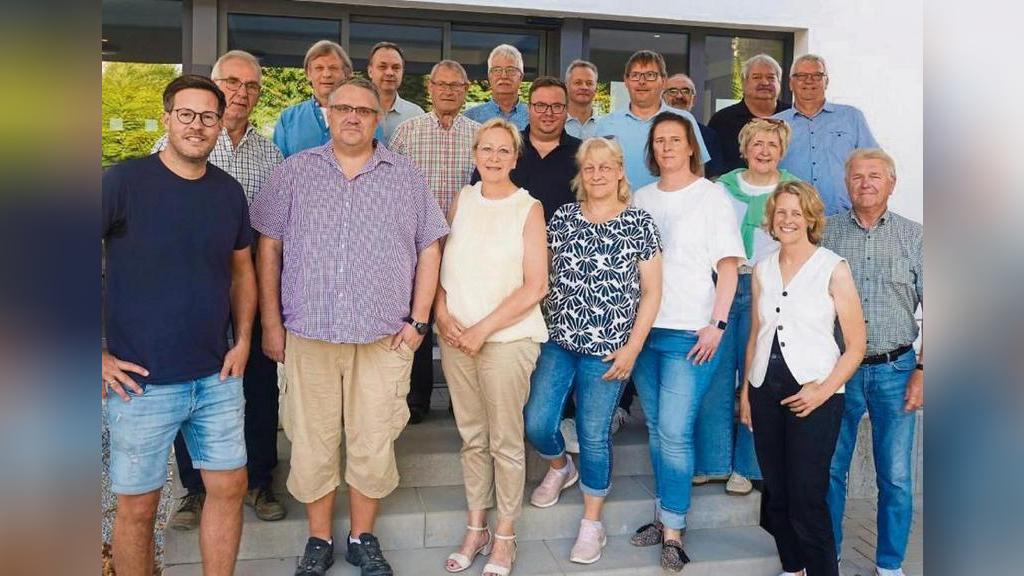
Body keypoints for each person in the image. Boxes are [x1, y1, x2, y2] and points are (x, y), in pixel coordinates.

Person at [251, 77, 448, 576]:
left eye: (364, 110)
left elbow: (430, 247)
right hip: (308, 335)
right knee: (312, 441)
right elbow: (268, 247)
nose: (353, 117)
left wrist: (419, 321)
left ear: (378, 118)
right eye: (343, 109)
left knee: (373, 439)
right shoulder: (294, 171)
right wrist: (270, 323)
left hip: (383, 338)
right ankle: (318, 539)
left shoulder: (405, 176)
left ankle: (363, 538)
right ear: (329, 114)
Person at [103, 74, 256, 576]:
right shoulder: (123, 182)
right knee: (139, 507)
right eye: (186, 114)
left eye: (208, 116)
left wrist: (244, 340)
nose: (197, 125)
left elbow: (242, 271)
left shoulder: (228, 192)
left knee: (229, 488)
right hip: (140, 382)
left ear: (220, 124)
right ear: (167, 118)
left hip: (216, 376)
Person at [152, 50, 287, 530]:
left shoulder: (270, 154)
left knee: (258, 382)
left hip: (252, 281)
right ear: (215, 84)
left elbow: (273, 235)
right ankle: (194, 488)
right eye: (232, 82)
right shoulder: (171, 145)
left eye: (251, 85)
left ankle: (259, 478)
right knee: (192, 380)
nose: (241, 92)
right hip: (193, 286)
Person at [524, 137, 662, 565]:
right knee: (537, 421)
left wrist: (632, 349)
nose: (597, 174)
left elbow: (652, 293)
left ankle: (591, 524)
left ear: (620, 172)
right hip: (559, 341)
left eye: (606, 167)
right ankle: (560, 466)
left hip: (609, 350)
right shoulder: (563, 218)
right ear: (580, 175)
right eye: (589, 167)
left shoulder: (638, 222)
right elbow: (542, 276)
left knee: (593, 433)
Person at [629, 111, 744, 572]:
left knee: (675, 432)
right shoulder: (640, 198)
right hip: (644, 331)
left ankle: (674, 531)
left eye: (675, 139)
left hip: (690, 332)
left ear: (692, 146)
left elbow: (729, 267)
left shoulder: (712, 196)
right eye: (659, 140)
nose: (667, 147)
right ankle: (664, 515)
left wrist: (717, 324)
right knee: (659, 429)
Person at [436, 118, 549, 576]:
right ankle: (475, 528)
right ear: (474, 154)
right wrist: (441, 313)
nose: (495, 157)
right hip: (456, 338)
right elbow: (442, 264)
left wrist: (482, 329)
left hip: (506, 340)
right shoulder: (461, 199)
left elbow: (536, 285)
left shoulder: (529, 208)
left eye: (504, 150)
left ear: (515, 158)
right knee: (472, 437)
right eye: (487, 148)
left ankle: (504, 536)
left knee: (504, 441)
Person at [739, 181, 866, 576]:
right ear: (771, 219)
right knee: (776, 494)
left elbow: (856, 345)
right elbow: (756, 333)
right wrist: (745, 394)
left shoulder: (833, 268)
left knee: (807, 498)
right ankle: (793, 569)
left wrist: (822, 391)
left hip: (816, 396)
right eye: (781, 212)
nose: (788, 220)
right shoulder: (762, 269)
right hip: (764, 390)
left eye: (796, 213)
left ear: (810, 218)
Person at [824, 149, 923, 576]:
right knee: (830, 470)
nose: (866, 183)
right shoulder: (825, 234)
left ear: (892, 183)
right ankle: (827, 556)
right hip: (836, 372)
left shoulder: (916, 237)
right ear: (846, 184)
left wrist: (923, 371)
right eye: (857, 176)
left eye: (875, 176)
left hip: (896, 370)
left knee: (896, 477)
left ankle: (889, 565)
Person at [693, 118, 798, 495]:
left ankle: (748, 467)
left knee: (757, 376)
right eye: (757, 143)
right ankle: (712, 462)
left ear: (782, 151)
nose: (764, 151)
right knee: (714, 373)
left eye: (772, 144)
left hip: (768, 289)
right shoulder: (720, 188)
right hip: (723, 286)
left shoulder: (793, 190)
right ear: (744, 148)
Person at [389, 60, 481, 424]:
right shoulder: (407, 132)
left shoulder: (479, 135)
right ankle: (417, 398)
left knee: (463, 317)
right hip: (417, 244)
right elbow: (390, 187)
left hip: (465, 245)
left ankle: (463, 399)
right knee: (420, 316)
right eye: (441, 84)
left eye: (455, 85)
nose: (448, 91)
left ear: (466, 90)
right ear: (430, 88)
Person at [775, 54, 878, 215]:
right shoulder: (774, 124)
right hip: (791, 219)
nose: (809, 81)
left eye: (817, 75)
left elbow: (875, 163)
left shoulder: (851, 117)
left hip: (845, 217)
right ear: (790, 83)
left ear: (827, 81)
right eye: (801, 76)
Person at [595, 50, 710, 190]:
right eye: (635, 75)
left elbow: (697, 171)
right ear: (626, 81)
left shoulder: (684, 120)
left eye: (650, 75)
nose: (642, 82)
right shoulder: (606, 125)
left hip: (670, 203)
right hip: (620, 203)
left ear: (663, 81)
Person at [472, 76, 581, 221]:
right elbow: (478, 194)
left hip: (565, 234)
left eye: (557, 106)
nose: (548, 113)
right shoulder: (505, 147)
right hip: (506, 233)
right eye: (540, 105)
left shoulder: (583, 153)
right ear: (529, 108)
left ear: (567, 110)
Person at [708, 54, 788, 174]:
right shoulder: (722, 120)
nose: (765, 82)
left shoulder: (792, 117)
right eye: (757, 77)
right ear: (743, 82)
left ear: (779, 83)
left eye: (771, 77)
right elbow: (713, 168)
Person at [272, 40, 353, 157]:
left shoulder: (364, 117)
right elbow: (278, 165)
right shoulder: (288, 119)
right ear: (308, 74)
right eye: (319, 68)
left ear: (346, 74)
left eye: (333, 68)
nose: (326, 74)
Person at [662, 72, 724, 178]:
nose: (679, 96)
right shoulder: (653, 130)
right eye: (673, 91)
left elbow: (715, 175)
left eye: (686, 91)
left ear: (693, 100)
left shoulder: (708, 135)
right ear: (663, 98)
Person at [366, 41, 425, 143]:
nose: (389, 73)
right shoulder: (355, 111)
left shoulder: (416, 115)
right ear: (370, 71)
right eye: (382, 67)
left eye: (396, 67)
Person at [465, 44, 530, 129]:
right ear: (489, 76)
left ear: (521, 77)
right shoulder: (471, 117)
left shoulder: (533, 116)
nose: (504, 76)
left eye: (511, 70)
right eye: (497, 70)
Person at [564, 59, 600, 140]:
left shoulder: (606, 125)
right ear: (566, 86)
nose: (584, 87)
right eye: (578, 83)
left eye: (589, 83)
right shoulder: (556, 124)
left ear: (596, 88)